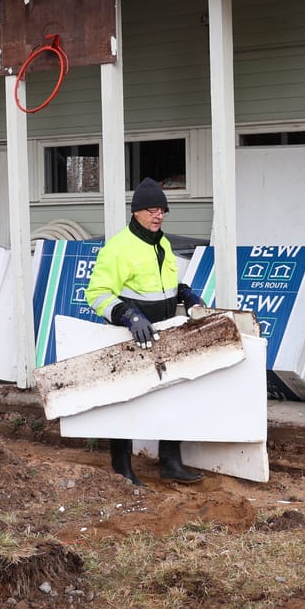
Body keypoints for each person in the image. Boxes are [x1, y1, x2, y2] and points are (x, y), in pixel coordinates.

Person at [84, 177, 207, 485]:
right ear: (136, 212)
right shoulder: (118, 248)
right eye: (151, 210)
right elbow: (96, 293)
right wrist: (127, 315)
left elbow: (163, 286)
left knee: (171, 394)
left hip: (163, 333)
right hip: (129, 336)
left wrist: (185, 293)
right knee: (126, 400)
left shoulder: (162, 243)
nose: (158, 216)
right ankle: (122, 467)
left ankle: (170, 462)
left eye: (162, 210)